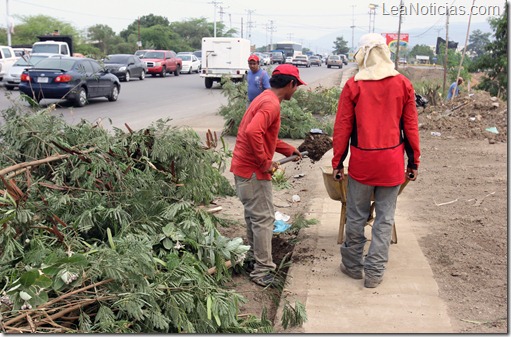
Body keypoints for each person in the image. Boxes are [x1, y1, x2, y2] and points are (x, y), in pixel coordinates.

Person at [331, 33, 421, 288]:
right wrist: (413, 163)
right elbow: (411, 127)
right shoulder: (403, 84)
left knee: (357, 215)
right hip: (392, 163)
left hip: (362, 163)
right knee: (384, 219)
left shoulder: (354, 86)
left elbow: (342, 128)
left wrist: (338, 163)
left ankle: (352, 266)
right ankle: (374, 274)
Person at [230, 64, 306, 287]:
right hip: (253, 171)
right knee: (264, 219)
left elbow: (260, 134)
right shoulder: (271, 104)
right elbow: (253, 132)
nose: (296, 90)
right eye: (297, 86)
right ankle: (262, 271)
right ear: (290, 84)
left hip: (243, 168)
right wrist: (265, 162)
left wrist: (286, 149)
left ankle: (255, 259)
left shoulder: (265, 97)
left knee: (255, 217)